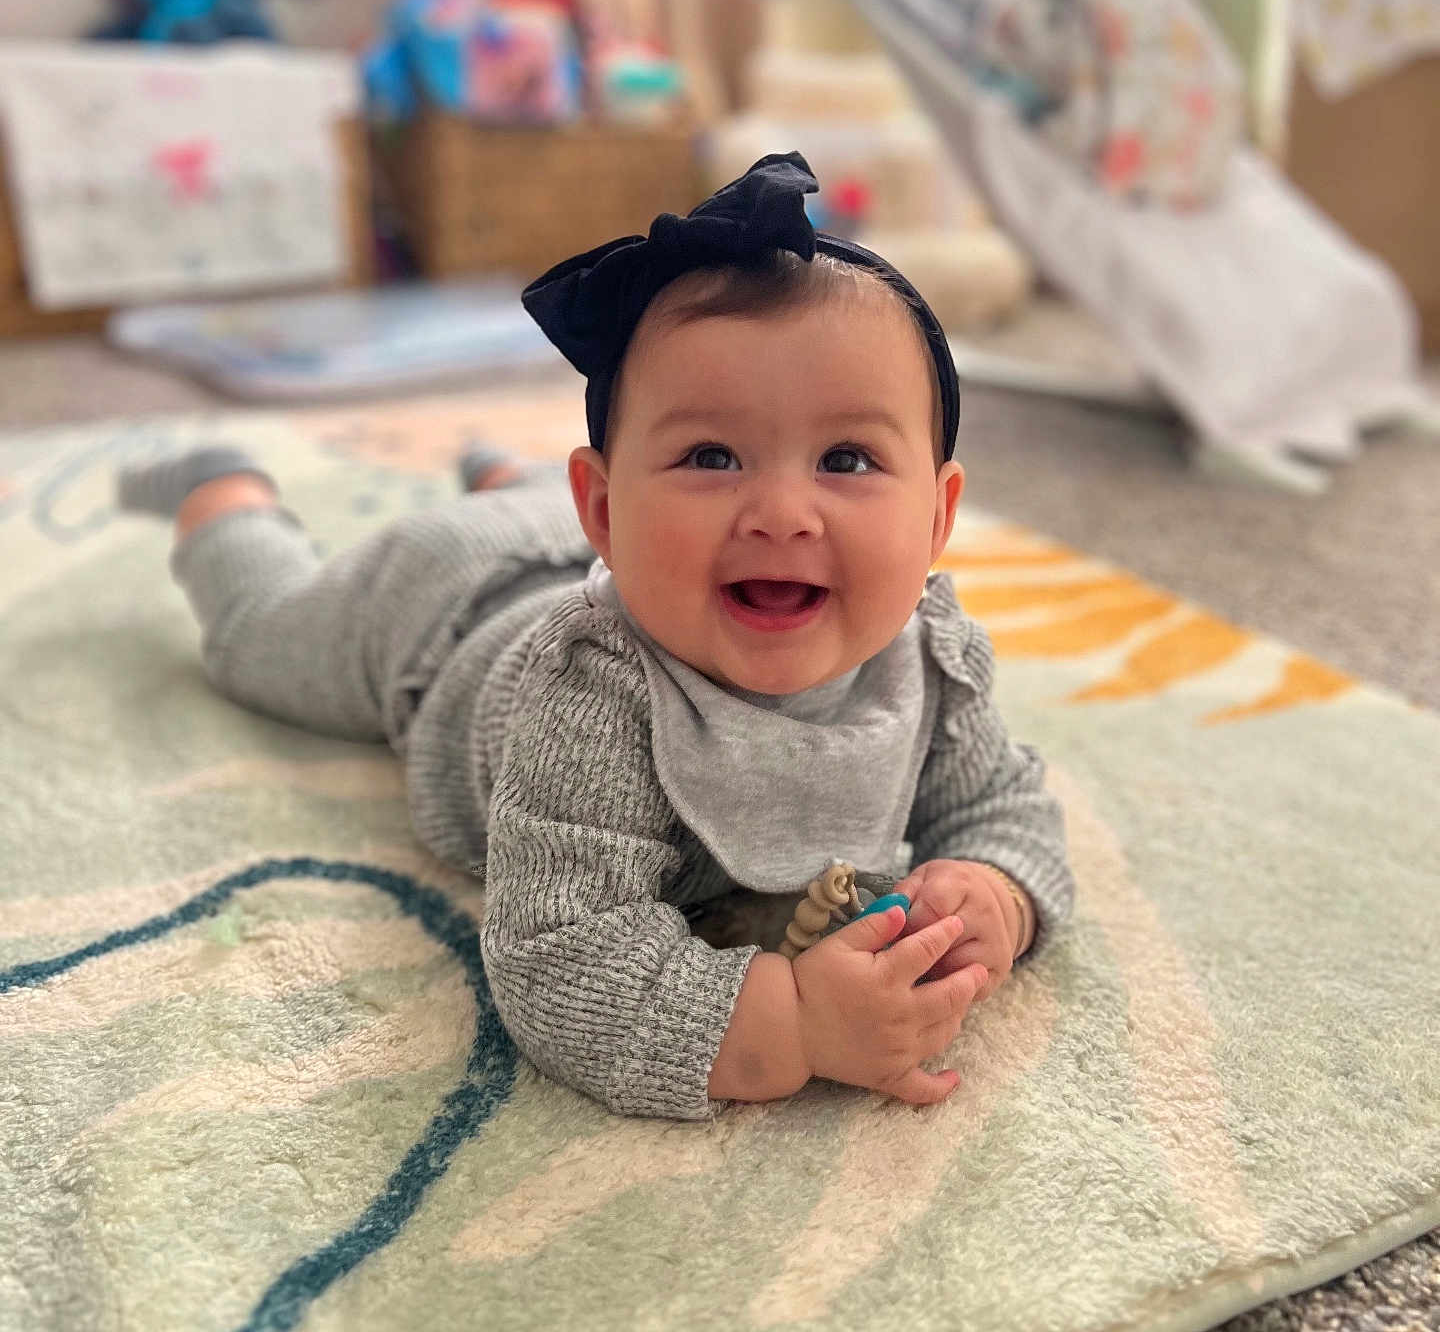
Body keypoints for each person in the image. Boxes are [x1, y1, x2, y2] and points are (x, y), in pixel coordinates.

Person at [116, 152, 1074, 1121]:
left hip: (585, 531)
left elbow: (1006, 804)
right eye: (712, 455)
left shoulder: (932, 658)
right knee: (253, 645)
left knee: (586, 500)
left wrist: (996, 890)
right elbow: (560, 956)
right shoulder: (590, 699)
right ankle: (224, 493)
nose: (783, 512)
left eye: (848, 458)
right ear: (606, 511)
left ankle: (512, 477)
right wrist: (792, 1026)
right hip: (442, 610)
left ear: (939, 517)